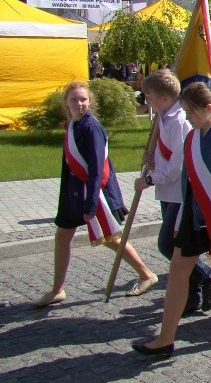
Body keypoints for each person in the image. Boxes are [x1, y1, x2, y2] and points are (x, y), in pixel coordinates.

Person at [132, 83, 211, 357]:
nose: (187, 118)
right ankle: (165, 338)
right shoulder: (192, 138)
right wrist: (181, 218)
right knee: (178, 275)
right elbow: (188, 184)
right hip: (194, 218)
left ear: (207, 109)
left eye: (190, 112)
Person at [32, 82, 158, 308]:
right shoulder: (72, 125)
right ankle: (57, 289)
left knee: (110, 238)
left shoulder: (91, 127)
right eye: (74, 100)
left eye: (83, 99)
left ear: (90, 101)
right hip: (73, 193)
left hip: (95, 193)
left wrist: (91, 205)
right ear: (66, 103)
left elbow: (97, 169)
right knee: (63, 235)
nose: (79, 104)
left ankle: (146, 273)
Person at [134, 70, 211, 313]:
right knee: (178, 247)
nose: (146, 99)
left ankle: (207, 275)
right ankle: (191, 297)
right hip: (167, 192)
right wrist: (152, 160)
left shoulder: (180, 121)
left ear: (162, 98)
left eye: (149, 95)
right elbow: (166, 155)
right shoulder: (162, 117)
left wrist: (150, 179)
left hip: (180, 194)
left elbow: (178, 166)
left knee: (168, 245)